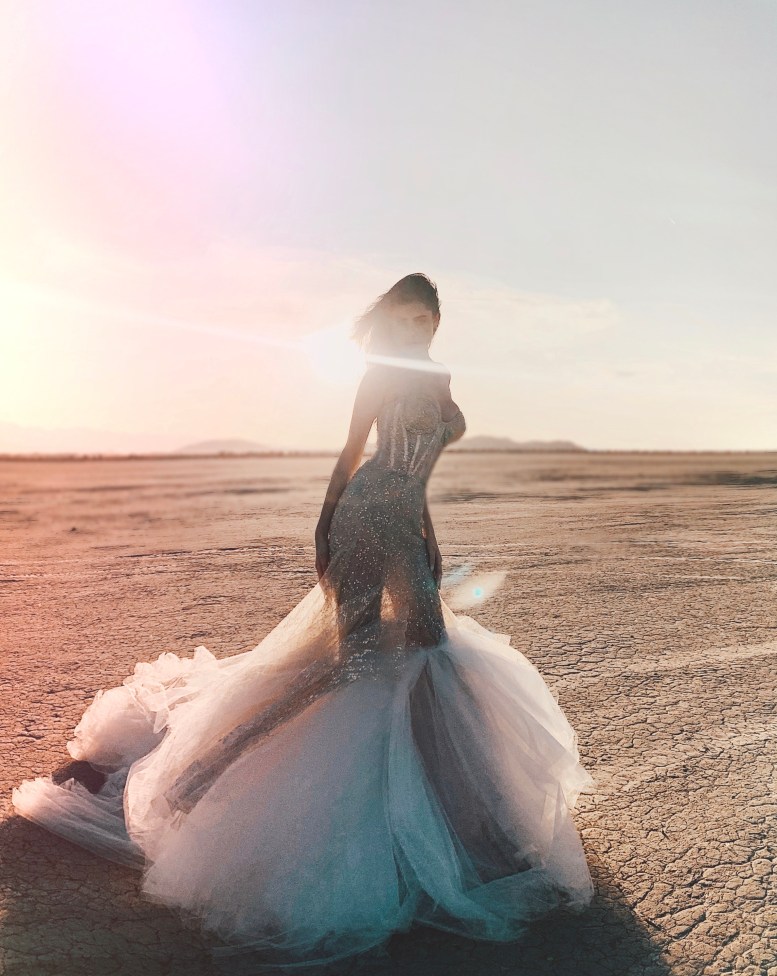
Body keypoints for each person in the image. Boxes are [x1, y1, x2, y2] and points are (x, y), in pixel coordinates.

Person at [11, 273, 596, 971]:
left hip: (403, 525)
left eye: (425, 320)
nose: (415, 330)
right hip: (358, 523)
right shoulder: (379, 373)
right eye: (404, 319)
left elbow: (415, 475)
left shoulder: (437, 377)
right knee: (349, 668)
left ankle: (469, 826)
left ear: (435, 322)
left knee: (430, 652)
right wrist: (324, 533)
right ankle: (198, 775)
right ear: (390, 321)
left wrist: (428, 539)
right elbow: (353, 458)